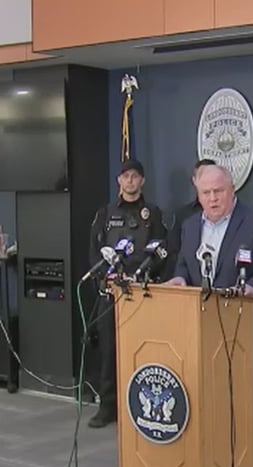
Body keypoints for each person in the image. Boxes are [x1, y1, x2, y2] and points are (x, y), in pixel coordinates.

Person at [165, 164, 253, 467]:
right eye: (206, 193)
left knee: (252, 405)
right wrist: (179, 279)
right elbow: (183, 265)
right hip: (204, 333)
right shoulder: (190, 226)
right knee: (211, 403)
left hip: (251, 330)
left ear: (232, 191)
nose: (213, 198)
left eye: (219, 191)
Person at [87, 159, 167, 428]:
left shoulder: (153, 213)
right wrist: (104, 276)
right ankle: (108, 406)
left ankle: (140, 407)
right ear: (119, 181)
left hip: (142, 292)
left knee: (143, 350)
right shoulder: (106, 213)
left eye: (135, 176)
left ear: (142, 180)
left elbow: (162, 250)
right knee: (109, 350)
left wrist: (145, 274)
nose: (130, 181)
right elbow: (93, 250)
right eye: (125, 176)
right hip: (111, 292)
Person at [163, 158, 217, 278]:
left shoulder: (229, 214)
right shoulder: (183, 215)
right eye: (202, 176)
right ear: (194, 180)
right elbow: (174, 251)